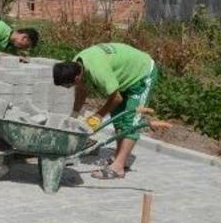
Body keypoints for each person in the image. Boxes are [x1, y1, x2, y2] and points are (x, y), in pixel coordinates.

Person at [52, 43, 159, 180]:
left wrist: (98, 116)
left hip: (142, 74)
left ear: (76, 78)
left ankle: (118, 167)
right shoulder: (77, 63)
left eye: (68, 86)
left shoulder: (98, 71)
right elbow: (82, 90)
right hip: (126, 75)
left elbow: (116, 98)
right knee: (118, 118)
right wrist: (74, 114)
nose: (68, 89)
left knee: (130, 121)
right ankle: (119, 158)